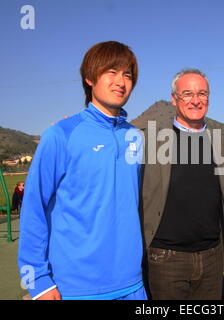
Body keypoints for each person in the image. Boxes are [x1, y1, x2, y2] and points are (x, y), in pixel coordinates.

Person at [18, 41, 146, 300]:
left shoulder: (136, 137)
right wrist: (38, 281)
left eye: (127, 74)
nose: (120, 81)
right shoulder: (60, 135)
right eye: (111, 72)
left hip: (133, 285)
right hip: (76, 288)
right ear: (89, 78)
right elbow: (34, 207)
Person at [141, 69, 224, 300]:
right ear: (174, 99)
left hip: (212, 258)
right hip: (166, 260)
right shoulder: (151, 140)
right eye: (187, 94)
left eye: (202, 93)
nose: (195, 100)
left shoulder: (220, 143)